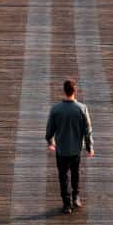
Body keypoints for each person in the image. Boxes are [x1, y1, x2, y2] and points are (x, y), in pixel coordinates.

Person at [45, 78, 95, 214]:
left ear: (64, 91)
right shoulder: (82, 109)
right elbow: (87, 130)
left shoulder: (55, 109)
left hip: (61, 150)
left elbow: (49, 130)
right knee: (75, 174)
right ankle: (76, 198)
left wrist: (50, 142)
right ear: (75, 91)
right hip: (75, 149)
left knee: (63, 176)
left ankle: (67, 204)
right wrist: (89, 147)